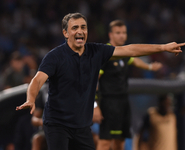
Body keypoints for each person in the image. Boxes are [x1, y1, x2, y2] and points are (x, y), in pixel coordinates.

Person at [16, 12, 184, 150]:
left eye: (83, 27)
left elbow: (130, 49)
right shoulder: (54, 57)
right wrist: (30, 98)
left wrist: (162, 47)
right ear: (66, 33)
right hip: (57, 124)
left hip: (81, 126)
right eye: (75, 28)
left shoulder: (96, 51)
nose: (80, 31)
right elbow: (37, 80)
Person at [96, 20, 162, 150]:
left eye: (124, 33)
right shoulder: (105, 54)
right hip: (109, 103)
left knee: (120, 142)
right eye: (118, 33)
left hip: (124, 103)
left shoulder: (124, 53)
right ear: (110, 35)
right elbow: (94, 81)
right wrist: (95, 105)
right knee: (105, 142)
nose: (122, 36)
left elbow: (134, 60)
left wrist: (149, 66)